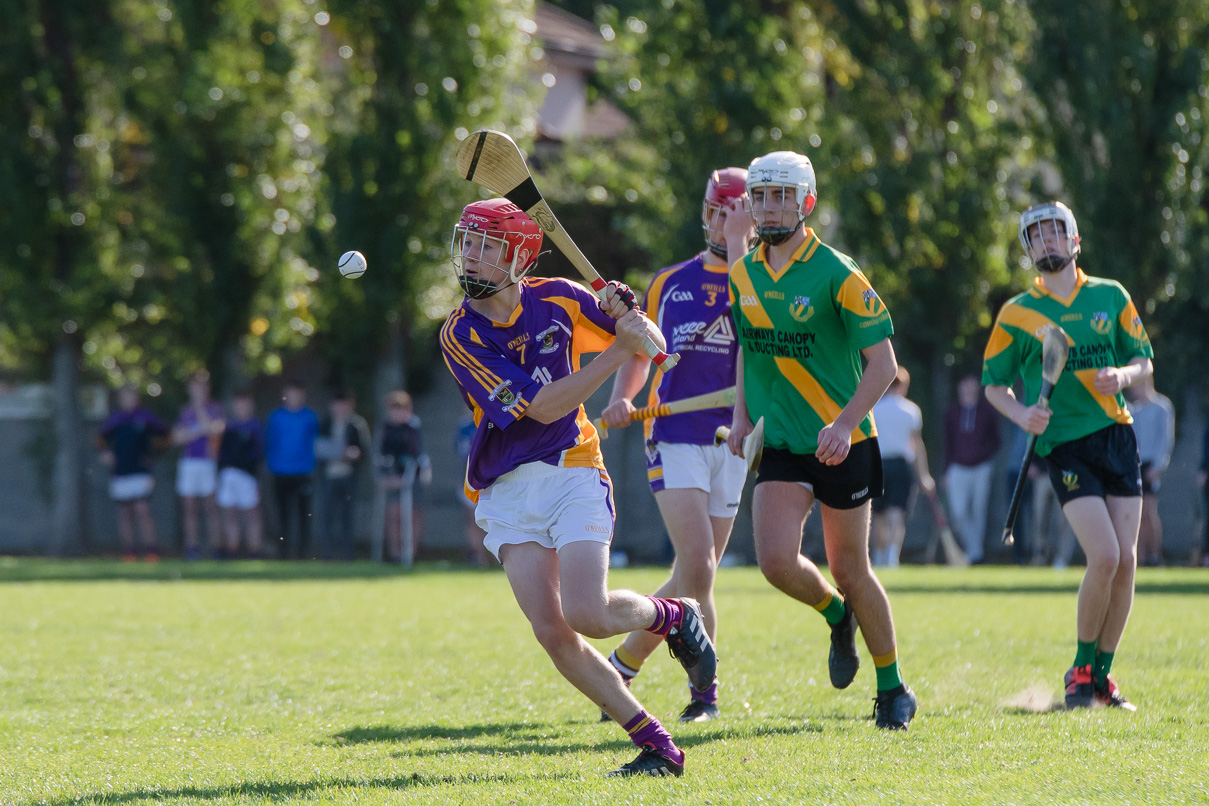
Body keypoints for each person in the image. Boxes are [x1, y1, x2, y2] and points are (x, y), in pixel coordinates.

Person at [440, 197, 715, 777]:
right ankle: (657, 744)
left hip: (574, 469)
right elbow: (540, 407)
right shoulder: (460, 335)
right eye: (467, 242)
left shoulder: (561, 297)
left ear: (519, 256)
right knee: (553, 633)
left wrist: (624, 310)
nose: (472, 256)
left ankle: (673, 615)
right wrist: (620, 347)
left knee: (587, 612)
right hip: (508, 489)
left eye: (487, 246)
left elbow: (649, 339)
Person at [723, 150, 917, 729]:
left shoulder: (838, 271)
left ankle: (892, 688)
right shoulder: (743, 274)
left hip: (844, 442)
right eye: (762, 196)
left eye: (784, 195)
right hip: (781, 439)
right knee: (776, 562)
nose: (771, 206)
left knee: (852, 570)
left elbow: (883, 365)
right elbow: (748, 352)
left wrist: (844, 423)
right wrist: (739, 417)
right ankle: (837, 616)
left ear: (806, 203)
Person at [983, 201, 1153, 709]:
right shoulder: (1017, 313)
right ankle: (1079, 669)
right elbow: (995, 385)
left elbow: (1142, 359)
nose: (1047, 242)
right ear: (1026, 249)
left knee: (1127, 563)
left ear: (1075, 241)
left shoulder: (1110, 295)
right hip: (1063, 445)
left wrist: (1121, 377)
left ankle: (1102, 677)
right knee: (1103, 556)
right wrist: (1022, 417)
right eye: (1036, 236)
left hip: (1116, 434)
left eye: (1056, 233)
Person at [598, 167, 752, 723]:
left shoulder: (760, 282)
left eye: (732, 216)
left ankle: (623, 663)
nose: (718, 223)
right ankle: (705, 695)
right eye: (715, 212)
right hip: (674, 433)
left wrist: (741, 252)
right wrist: (622, 395)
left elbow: (759, 334)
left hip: (733, 437)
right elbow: (642, 350)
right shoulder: (670, 282)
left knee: (692, 574)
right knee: (700, 564)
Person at [870, 366, 935, 567]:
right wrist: (924, 475)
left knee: (878, 516)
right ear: (904, 385)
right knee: (896, 513)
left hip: (878, 466)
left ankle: (879, 559)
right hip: (901, 466)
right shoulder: (911, 410)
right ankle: (892, 557)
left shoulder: (874, 409)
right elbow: (917, 445)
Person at [97, 385, 169, 561]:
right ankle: (128, 552)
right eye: (126, 396)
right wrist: (105, 453)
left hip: (141, 470)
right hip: (121, 470)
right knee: (125, 511)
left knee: (142, 509)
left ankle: (151, 551)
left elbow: (166, 435)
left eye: (132, 396)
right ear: (120, 399)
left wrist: (153, 455)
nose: (129, 400)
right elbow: (99, 439)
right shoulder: (115, 419)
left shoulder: (145, 417)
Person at [942, 374, 1001, 564]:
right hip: (958, 468)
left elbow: (996, 440)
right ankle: (974, 551)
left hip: (981, 468)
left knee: (979, 511)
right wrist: (946, 470)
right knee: (958, 513)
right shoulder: (952, 412)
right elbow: (948, 443)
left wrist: (982, 455)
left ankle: (976, 555)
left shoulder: (986, 411)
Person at [171, 370, 225, 560]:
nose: (198, 392)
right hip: (189, 463)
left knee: (211, 507)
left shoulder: (214, 408)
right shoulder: (185, 411)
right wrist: (200, 430)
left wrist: (200, 416)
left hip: (207, 463)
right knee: (189, 508)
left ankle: (216, 548)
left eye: (202, 388)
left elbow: (215, 430)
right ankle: (191, 548)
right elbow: (177, 438)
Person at [376, 390, 433, 564]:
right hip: (393, 476)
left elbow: (419, 454)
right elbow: (381, 455)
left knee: (414, 513)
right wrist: (387, 477)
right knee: (394, 514)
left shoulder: (413, 427)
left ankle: (411, 553)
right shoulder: (386, 428)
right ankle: (395, 554)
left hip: (412, 477)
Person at [265, 380, 319, 559]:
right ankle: (283, 553)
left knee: (304, 515)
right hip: (280, 472)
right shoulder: (276, 417)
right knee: (283, 515)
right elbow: (270, 444)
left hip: (303, 472)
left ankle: (303, 553)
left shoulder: (310, 417)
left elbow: (315, 444)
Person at [317, 390, 371, 561]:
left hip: (349, 476)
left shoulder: (356, 425)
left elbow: (364, 451)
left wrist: (355, 454)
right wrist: (338, 453)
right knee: (327, 516)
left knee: (347, 517)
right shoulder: (326, 423)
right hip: (329, 476)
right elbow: (319, 448)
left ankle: (347, 555)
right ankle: (327, 554)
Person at [1125, 377, 1174, 566]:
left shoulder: (1162, 406)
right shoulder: (1133, 410)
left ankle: (1155, 554)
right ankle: (1142, 556)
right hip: (1135, 465)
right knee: (1136, 513)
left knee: (1149, 512)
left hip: (1151, 465)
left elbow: (1165, 438)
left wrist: (1158, 466)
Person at [216, 389, 265, 559]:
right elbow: (221, 454)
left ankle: (254, 552)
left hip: (248, 476)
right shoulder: (228, 427)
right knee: (229, 513)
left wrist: (256, 478)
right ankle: (232, 550)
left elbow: (259, 454)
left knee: (252, 514)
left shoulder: (255, 427)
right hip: (228, 475)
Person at [454, 411, 489, 566]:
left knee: (494, 520)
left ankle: (495, 559)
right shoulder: (464, 426)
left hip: (492, 480)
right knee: (474, 520)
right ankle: (479, 558)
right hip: (470, 480)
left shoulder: (491, 421)